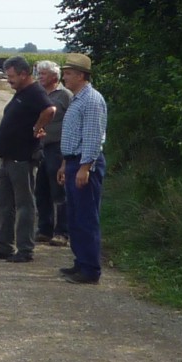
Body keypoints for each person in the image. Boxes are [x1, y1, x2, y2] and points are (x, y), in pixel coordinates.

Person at [0, 56, 56, 263]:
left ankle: (25, 249)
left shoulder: (35, 92)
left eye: (11, 76)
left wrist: (38, 127)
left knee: (25, 205)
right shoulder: (22, 93)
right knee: (4, 204)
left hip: (22, 158)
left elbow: (50, 109)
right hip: (8, 159)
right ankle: (5, 246)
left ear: (24, 74)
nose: (8, 80)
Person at [57, 53, 108, 285]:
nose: (64, 77)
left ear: (80, 75)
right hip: (73, 161)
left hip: (84, 163)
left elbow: (92, 137)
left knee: (86, 216)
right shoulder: (78, 98)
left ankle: (90, 270)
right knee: (75, 216)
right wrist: (65, 163)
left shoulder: (91, 100)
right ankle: (81, 262)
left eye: (68, 73)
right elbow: (73, 136)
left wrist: (85, 167)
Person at [33, 60, 73, 247]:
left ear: (54, 77)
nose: (40, 76)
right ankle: (45, 229)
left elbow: (73, 121)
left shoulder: (65, 95)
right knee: (41, 189)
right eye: (39, 73)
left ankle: (62, 232)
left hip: (58, 147)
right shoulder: (39, 93)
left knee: (59, 189)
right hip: (41, 147)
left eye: (43, 74)